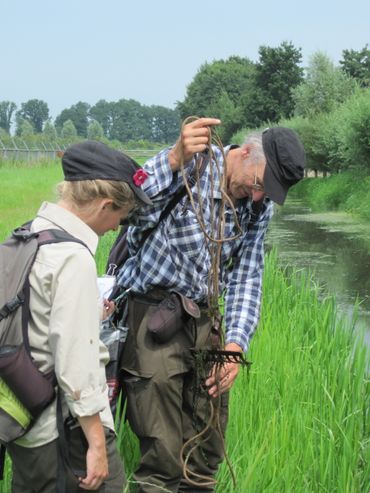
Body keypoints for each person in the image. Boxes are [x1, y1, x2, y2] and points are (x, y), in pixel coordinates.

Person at [116, 118, 305, 492]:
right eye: (258, 184)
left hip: (205, 323)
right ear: (246, 152)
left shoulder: (258, 207)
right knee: (163, 457)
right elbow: (128, 208)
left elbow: (247, 277)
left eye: (266, 192)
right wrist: (171, 158)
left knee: (206, 449)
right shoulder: (190, 164)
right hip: (153, 317)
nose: (257, 197)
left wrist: (234, 345)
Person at [6, 140, 152, 493]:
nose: (118, 227)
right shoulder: (74, 257)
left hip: (23, 420)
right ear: (105, 205)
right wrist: (97, 445)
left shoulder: (28, 236)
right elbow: (77, 361)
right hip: (65, 429)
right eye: (121, 216)